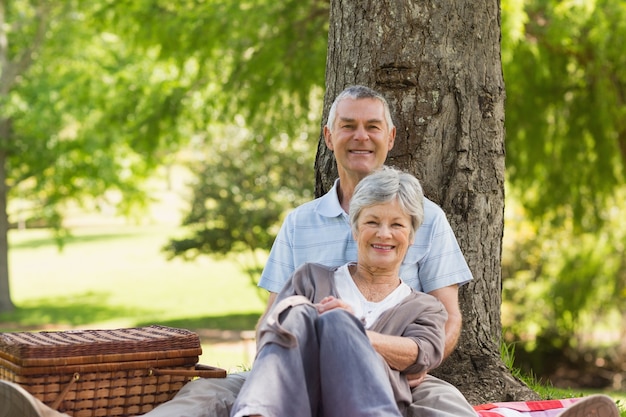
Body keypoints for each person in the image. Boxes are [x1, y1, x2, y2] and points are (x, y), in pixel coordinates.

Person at [0, 86, 621, 417]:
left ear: (389, 137)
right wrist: (300, 338)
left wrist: (383, 347)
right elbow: (274, 313)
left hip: (396, 367)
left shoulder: (425, 216)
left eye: (372, 125)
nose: (360, 136)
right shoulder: (304, 229)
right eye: (348, 125)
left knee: (444, 401)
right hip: (291, 360)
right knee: (204, 396)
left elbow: (444, 320)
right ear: (331, 137)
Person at [231, 166, 448, 417]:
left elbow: (423, 353)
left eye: (397, 224)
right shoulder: (310, 278)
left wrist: (353, 331)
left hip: (366, 405)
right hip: (298, 400)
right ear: (355, 230)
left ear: (411, 236)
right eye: (372, 222)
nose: (384, 234)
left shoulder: (425, 307)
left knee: (337, 319)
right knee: (296, 311)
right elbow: (271, 338)